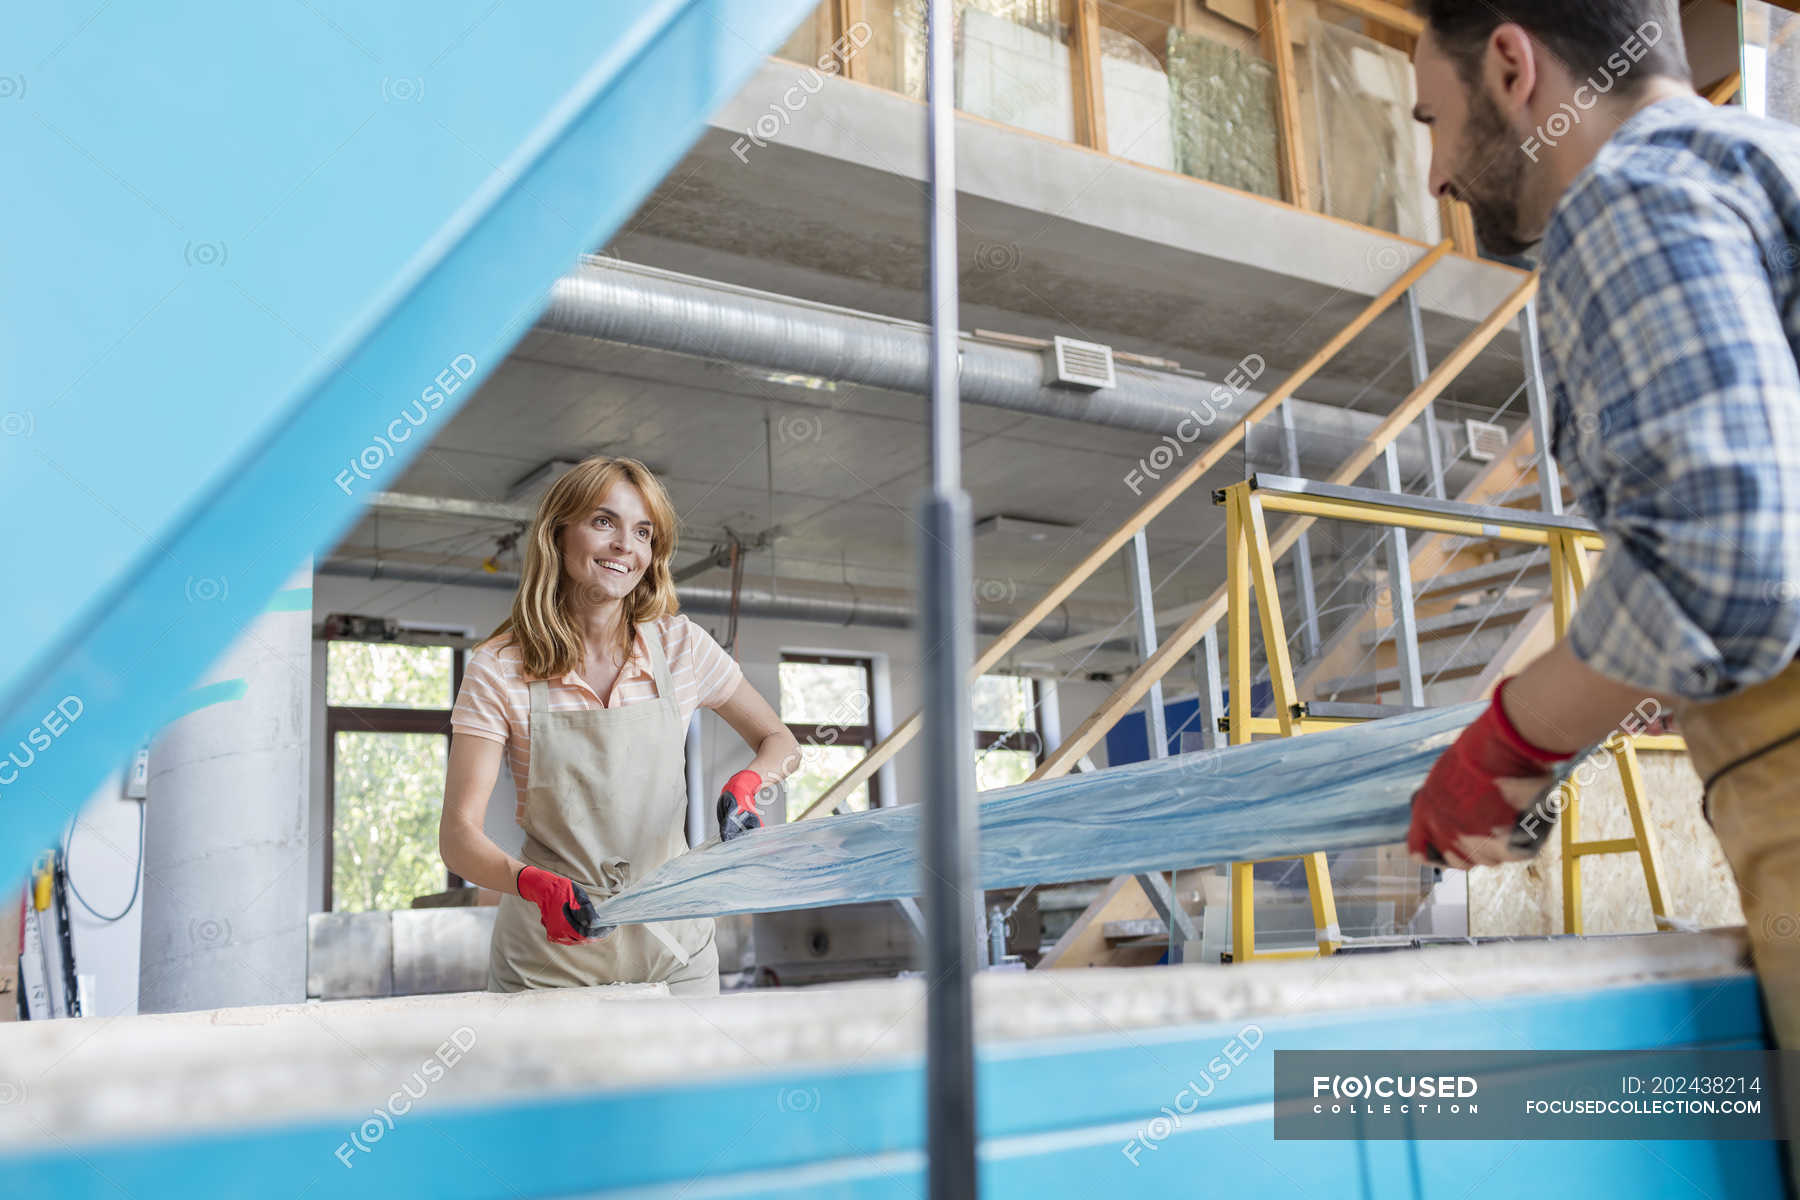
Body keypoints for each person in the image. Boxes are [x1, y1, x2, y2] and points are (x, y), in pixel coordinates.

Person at [1406, 1, 1800, 1065]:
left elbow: (1725, 560)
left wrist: (1513, 738)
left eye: (1430, 121)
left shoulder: (1633, 191)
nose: (1437, 174)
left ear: (1510, 66)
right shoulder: (1765, 166)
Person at [440, 455, 799, 995]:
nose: (624, 545)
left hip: (676, 946)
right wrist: (530, 884)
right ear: (558, 534)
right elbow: (457, 837)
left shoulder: (681, 648)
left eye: (643, 531)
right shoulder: (500, 667)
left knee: (689, 1080)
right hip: (551, 957)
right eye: (603, 521)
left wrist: (750, 785)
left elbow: (782, 743)